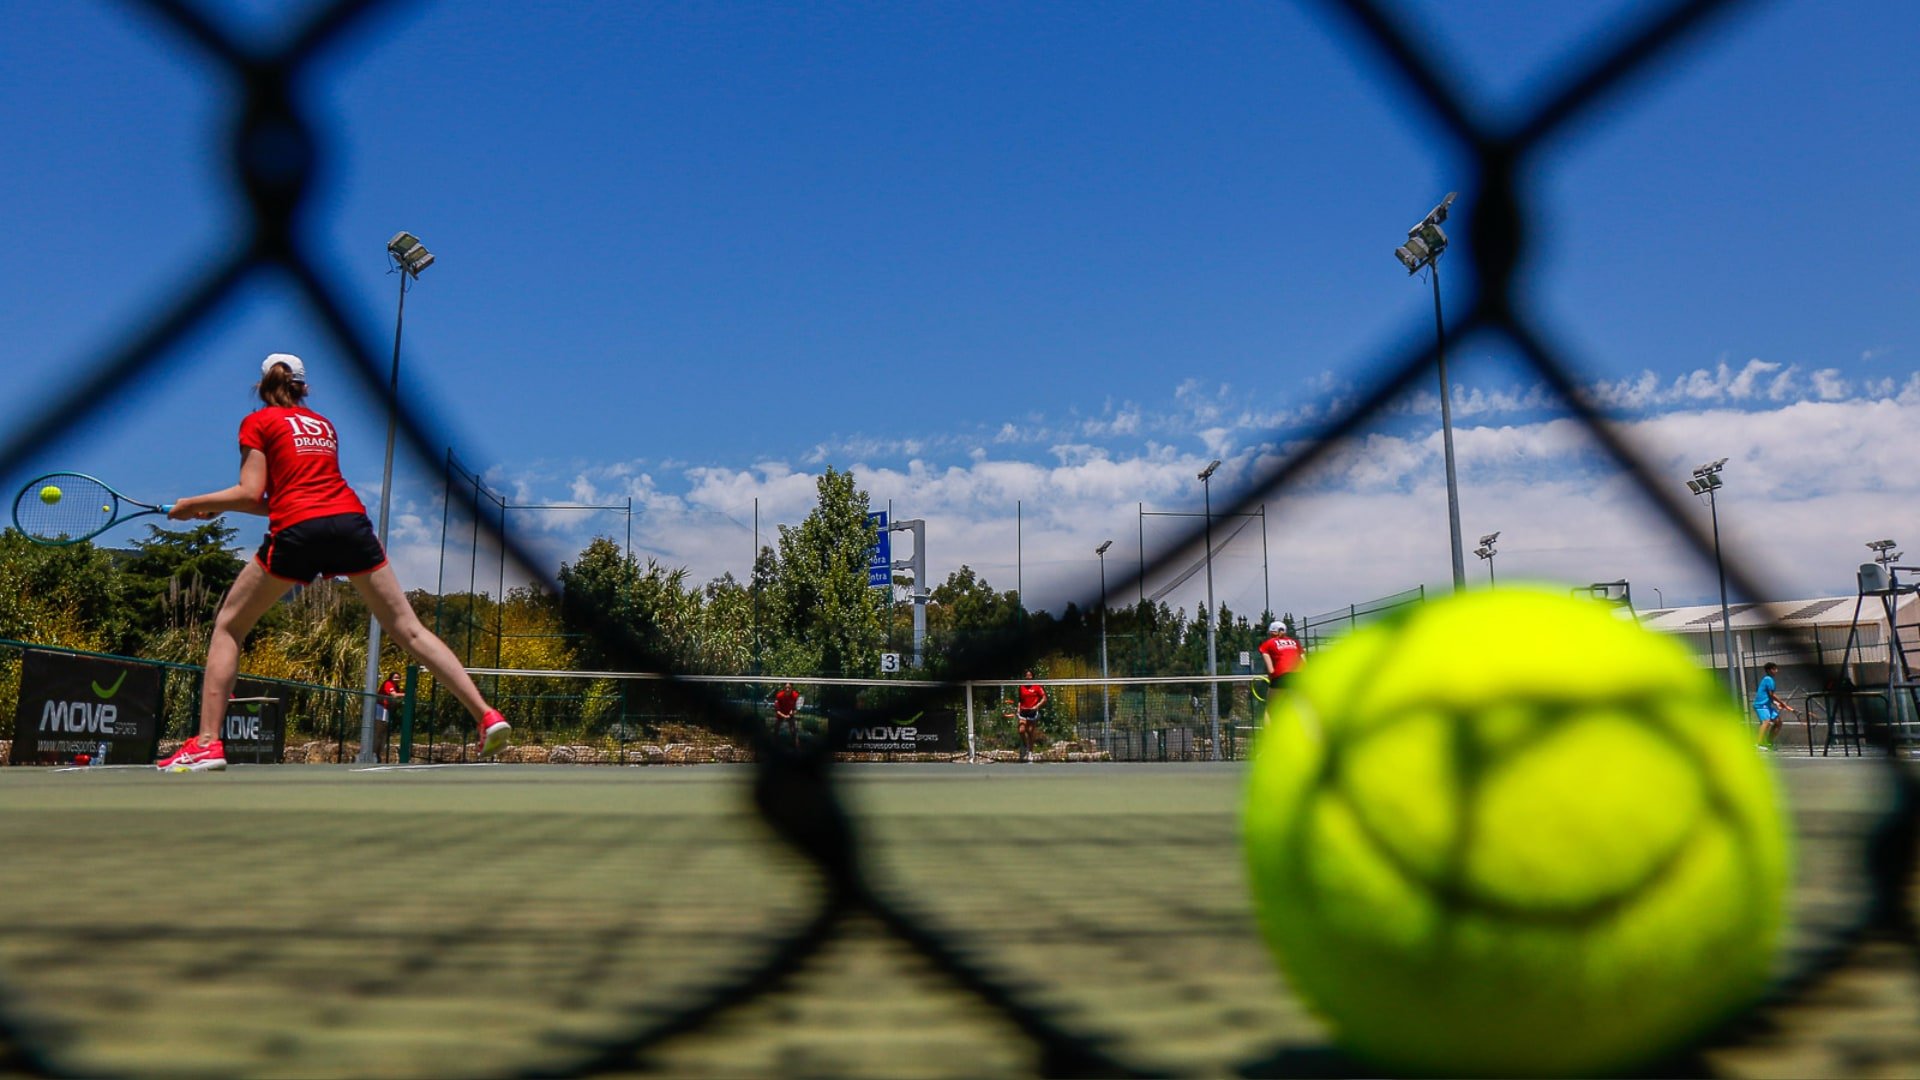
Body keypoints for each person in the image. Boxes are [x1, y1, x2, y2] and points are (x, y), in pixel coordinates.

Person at [156, 353, 510, 772]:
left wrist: (192, 503)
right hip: (350, 522)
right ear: (303, 388)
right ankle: (487, 715)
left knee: (230, 627)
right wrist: (221, 509)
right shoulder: (324, 426)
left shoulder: (258, 422)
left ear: (263, 384)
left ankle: (208, 743)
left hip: (300, 530)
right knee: (410, 630)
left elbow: (254, 494)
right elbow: (297, 496)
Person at [1753, 662, 1793, 750]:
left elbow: (1768, 695)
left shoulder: (1769, 680)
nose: (1776, 671)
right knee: (1766, 722)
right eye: (1774, 669)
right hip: (1760, 705)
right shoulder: (1768, 679)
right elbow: (1771, 694)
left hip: (1767, 705)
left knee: (1778, 722)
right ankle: (1758, 744)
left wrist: (1777, 703)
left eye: (1776, 669)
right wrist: (1782, 703)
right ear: (1769, 670)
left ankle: (1769, 743)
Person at [1257, 617, 1304, 692]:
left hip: (1281, 676)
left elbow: (1271, 669)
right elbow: (1304, 662)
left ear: (1273, 632)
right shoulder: (1295, 642)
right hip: (1299, 676)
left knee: (1273, 703)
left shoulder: (1268, 644)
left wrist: (1272, 679)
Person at [1015, 672, 1047, 762]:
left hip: (1032, 712)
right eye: (1026, 675)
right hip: (1023, 711)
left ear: (1032, 677)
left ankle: (1030, 752)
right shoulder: (1021, 687)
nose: (1028, 676)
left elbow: (1044, 698)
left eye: (1030, 675)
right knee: (1021, 730)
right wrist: (1018, 708)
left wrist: (1036, 707)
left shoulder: (1037, 686)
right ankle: (1025, 746)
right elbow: (1020, 700)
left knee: (1030, 732)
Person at [771, 681, 801, 748]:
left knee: (794, 730)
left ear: (792, 688)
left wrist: (792, 713)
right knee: (776, 729)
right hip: (781, 714)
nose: (787, 689)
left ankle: (797, 747)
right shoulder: (779, 695)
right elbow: (777, 711)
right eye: (786, 688)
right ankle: (774, 745)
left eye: (789, 688)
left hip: (790, 715)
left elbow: (796, 708)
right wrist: (784, 716)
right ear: (784, 688)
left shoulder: (796, 695)